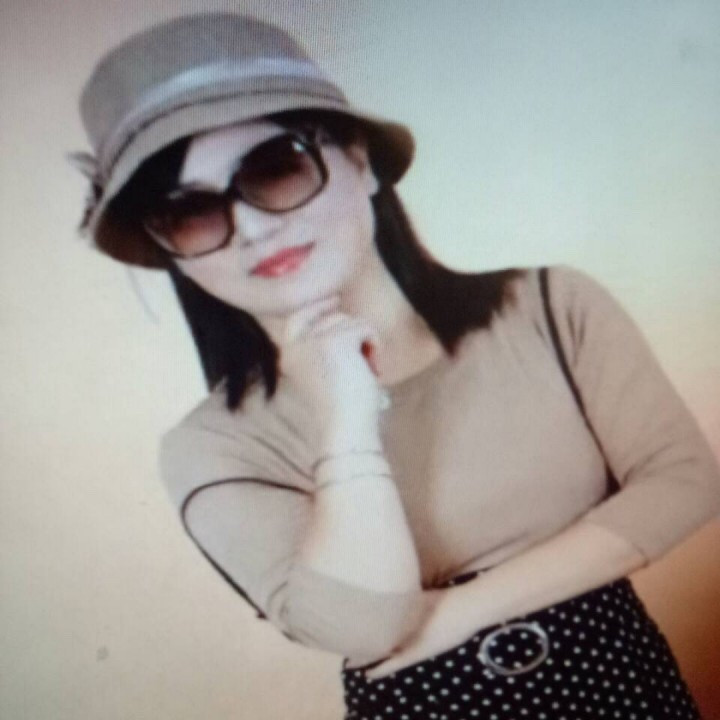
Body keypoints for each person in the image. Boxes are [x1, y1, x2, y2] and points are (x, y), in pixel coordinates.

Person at [74, 12, 720, 719]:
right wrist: (346, 423)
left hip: (627, 690)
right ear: (168, 249)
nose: (253, 228)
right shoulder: (212, 448)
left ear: (363, 162)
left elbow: (684, 481)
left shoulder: (549, 307)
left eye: (276, 167)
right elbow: (363, 628)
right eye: (191, 212)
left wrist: (455, 614)